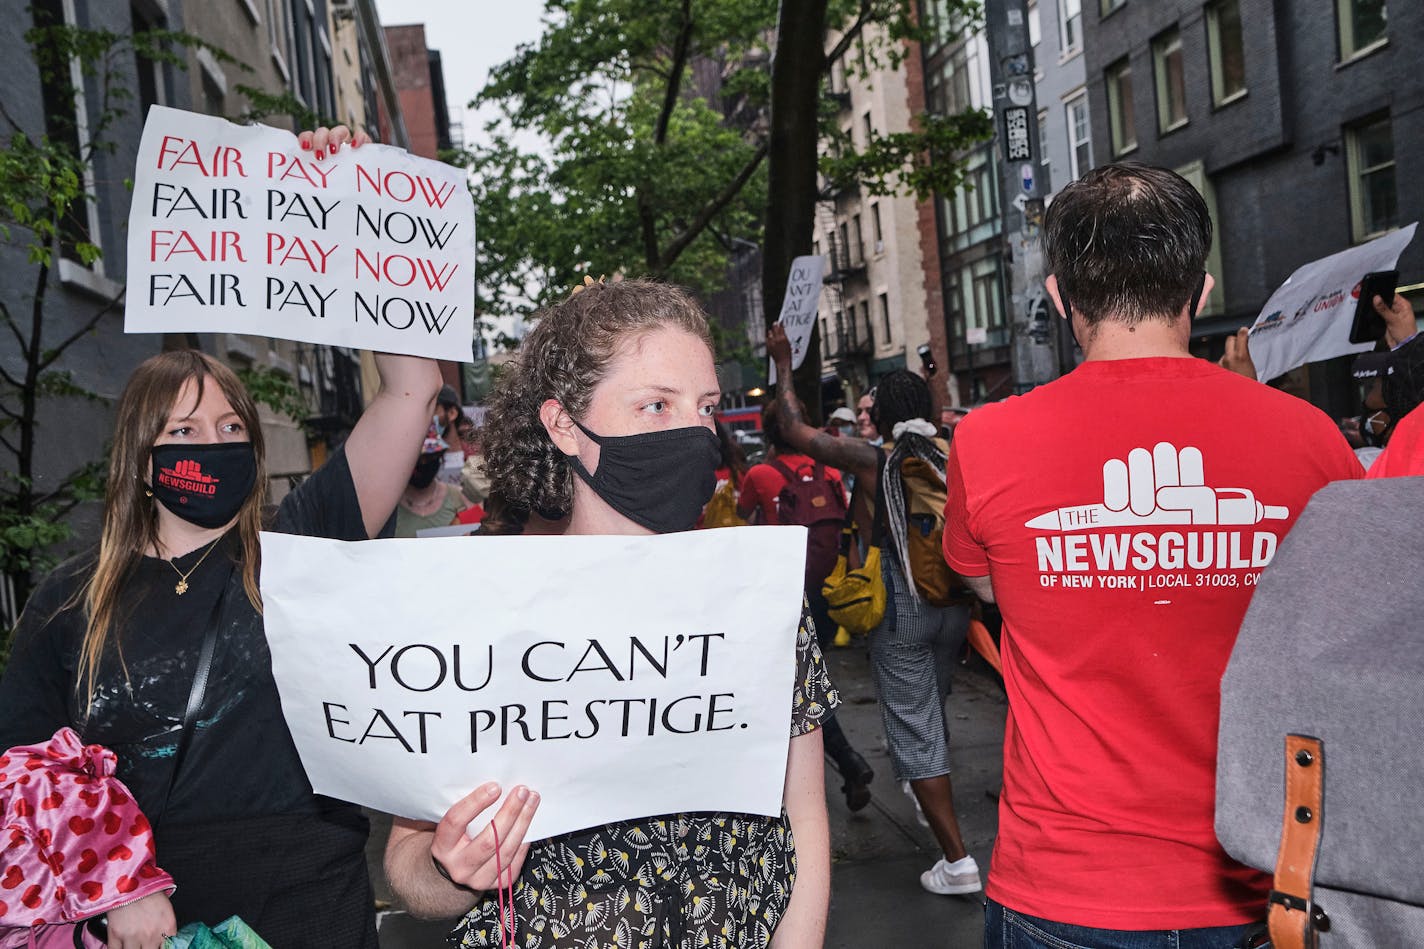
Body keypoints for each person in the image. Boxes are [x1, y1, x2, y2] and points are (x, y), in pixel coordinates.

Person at [942, 162, 1363, 948]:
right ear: (1200, 292)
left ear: (1061, 297)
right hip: (1263, 881)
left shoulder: (987, 439)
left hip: (1062, 886)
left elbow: (980, 581)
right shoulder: (1312, 437)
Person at [0, 211, 440, 949]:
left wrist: (352, 207)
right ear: (142, 459)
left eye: (232, 430)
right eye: (185, 432)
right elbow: (23, 771)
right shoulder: (68, 602)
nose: (214, 446)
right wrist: (114, 883)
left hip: (308, 900)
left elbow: (412, 387)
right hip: (142, 921)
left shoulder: (300, 545)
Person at [382, 279, 834, 949]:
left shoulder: (753, 591)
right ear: (563, 424)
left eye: (705, 407)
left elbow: (805, 814)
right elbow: (408, 868)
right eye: (656, 404)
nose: (692, 431)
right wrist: (458, 869)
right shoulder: (482, 612)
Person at [766, 326, 980, 897]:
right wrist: (932, 384)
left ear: (882, 418)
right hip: (952, 600)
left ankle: (957, 862)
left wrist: (784, 364)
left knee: (913, 727)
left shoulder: (872, 460)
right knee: (928, 705)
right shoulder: (949, 451)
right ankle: (924, 784)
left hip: (899, 599)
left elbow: (792, 429)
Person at [737, 401, 875, 809]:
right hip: (828, 591)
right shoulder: (830, 473)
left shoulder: (761, 474)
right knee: (805, 680)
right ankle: (848, 768)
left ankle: (848, 762)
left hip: (784, 592)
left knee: (797, 687)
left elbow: (741, 516)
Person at [395, 432, 470, 536]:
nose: (424, 463)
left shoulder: (460, 498)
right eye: (418, 458)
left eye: (431, 457)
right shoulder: (388, 506)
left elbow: (474, 537)